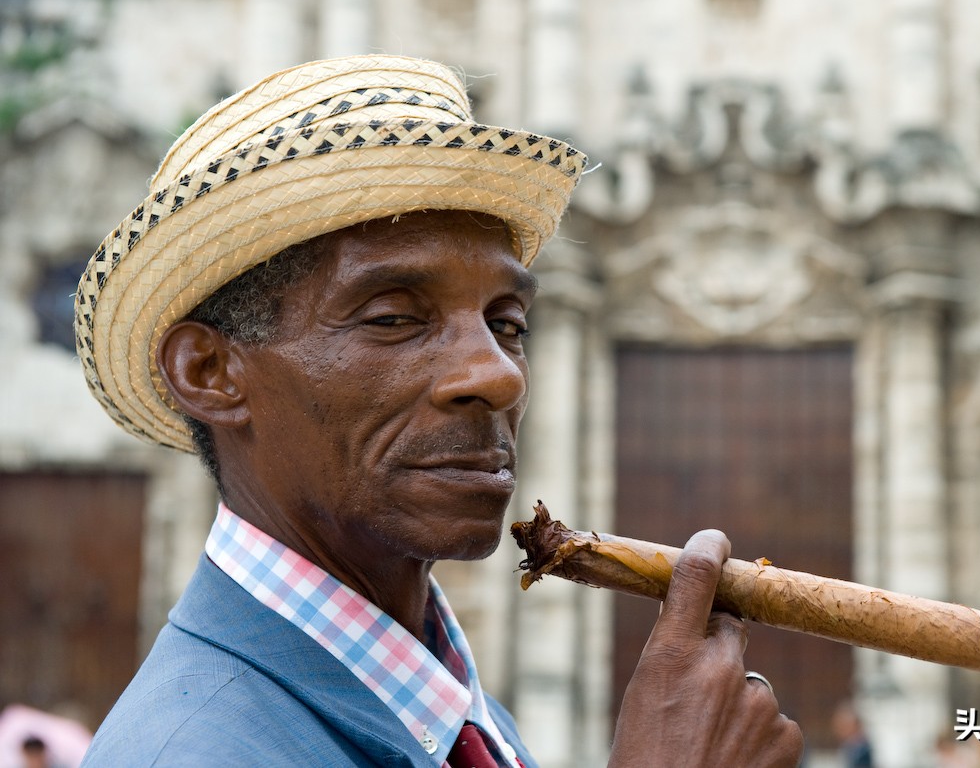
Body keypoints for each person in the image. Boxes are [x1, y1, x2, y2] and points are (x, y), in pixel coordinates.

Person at [76, 55, 804, 766]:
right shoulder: (196, 750)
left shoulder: (453, 711)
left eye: (507, 323)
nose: (497, 375)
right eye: (394, 318)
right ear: (210, 372)